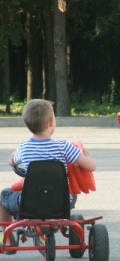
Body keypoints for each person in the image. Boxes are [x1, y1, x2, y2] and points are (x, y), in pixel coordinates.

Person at [0, 99, 96, 253]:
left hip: (29, 203)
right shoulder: (64, 146)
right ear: (51, 122)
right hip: (61, 201)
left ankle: (9, 239)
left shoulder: (24, 147)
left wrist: (13, 160)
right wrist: (87, 155)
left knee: (3, 195)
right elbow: (91, 166)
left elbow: (12, 161)